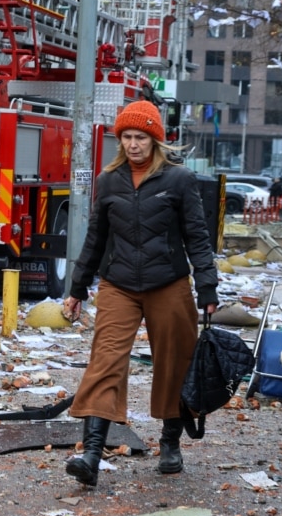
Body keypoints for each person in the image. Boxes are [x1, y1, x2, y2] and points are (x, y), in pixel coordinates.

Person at [61, 100, 219, 488]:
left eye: (140, 138)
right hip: (119, 283)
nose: (133, 144)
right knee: (106, 359)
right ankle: (92, 454)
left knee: (175, 360)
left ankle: (170, 442)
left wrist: (207, 286)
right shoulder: (109, 181)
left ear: (156, 140)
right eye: (127, 137)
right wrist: (76, 289)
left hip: (169, 282)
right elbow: (95, 239)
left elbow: (197, 237)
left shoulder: (178, 181)